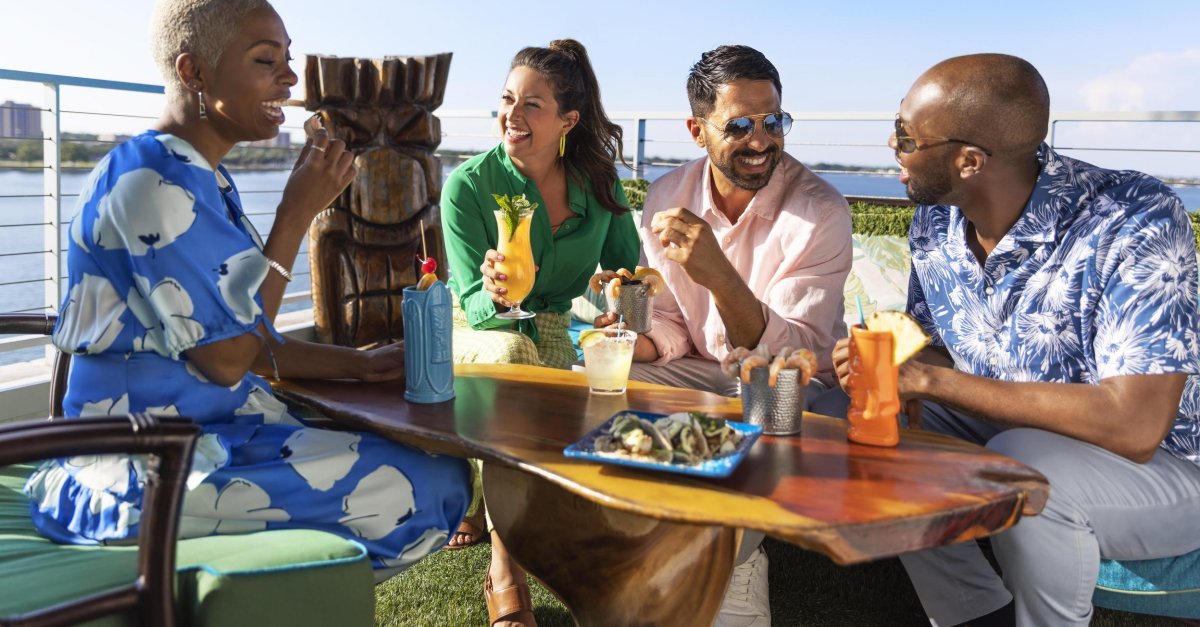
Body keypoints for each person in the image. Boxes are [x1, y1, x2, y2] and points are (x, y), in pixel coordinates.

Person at [23, 0, 471, 580]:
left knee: (432, 459)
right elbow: (231, 358)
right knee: (427, 484)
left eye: (288, 60)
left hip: (213, 430)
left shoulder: (202, 178)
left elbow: (240, 336)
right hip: (143, 465)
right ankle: (250, 598)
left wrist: (362, 366)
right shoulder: (150, 185)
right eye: (266, 61)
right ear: (195, 71)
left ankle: (265, 593)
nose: (289, 79)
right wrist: (295, 214)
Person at [833, 53, 1200, 626]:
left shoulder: (1133, 217)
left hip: (1167, 468)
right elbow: (930, 347)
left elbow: (1135, 426)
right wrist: (889, 362)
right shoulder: (935, 219)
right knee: (865, 421)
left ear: (970, 160)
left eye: (905, 136)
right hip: (1013, 431)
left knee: (1020, 462)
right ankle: (975, 615)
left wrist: (929, 378)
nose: (890, 145)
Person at [596, 45, 853, 627]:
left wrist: (718, 275)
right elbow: (671, 325)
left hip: (796, 383)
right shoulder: (666, 196)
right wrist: (631, 326)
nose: (761, 140)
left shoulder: (820, 211)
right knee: (598, 381)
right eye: (739, 125)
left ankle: (735, 566)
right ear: (696, 130)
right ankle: (614, 525)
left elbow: (797, 353)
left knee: (763, 408)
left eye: (773, 121)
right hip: (709, 369)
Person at [440, 39, 639, 626]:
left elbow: (627, 274)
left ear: (568, 121)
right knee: (512, 355)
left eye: (532, 104)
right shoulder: (468, 187)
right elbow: (478, 306)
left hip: (553, 320)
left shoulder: (600, 186)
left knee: (536, 432)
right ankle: (506, 574)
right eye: (507, 100)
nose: (513, 115)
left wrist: (614, 298)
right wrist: (499, 294)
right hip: (473, 325)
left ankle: (484, 505)